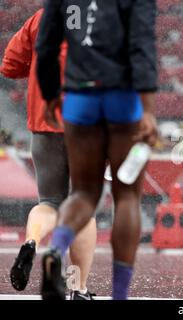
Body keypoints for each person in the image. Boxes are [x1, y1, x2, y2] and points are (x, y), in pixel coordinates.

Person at [35, 0, 159, 300]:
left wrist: (50, 94)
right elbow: (141, 42)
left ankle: (55, 249)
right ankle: (119, 295)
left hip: (80, 97)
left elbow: (46, 43)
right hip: (123, 96)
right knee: (127, 195)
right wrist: (147, 108)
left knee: (83, 194)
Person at [0, 9, 97, 300]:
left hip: (44, 125)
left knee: (49, 202)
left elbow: (10, 66)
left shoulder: (41, 17)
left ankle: (31, 242)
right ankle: (77, 287)